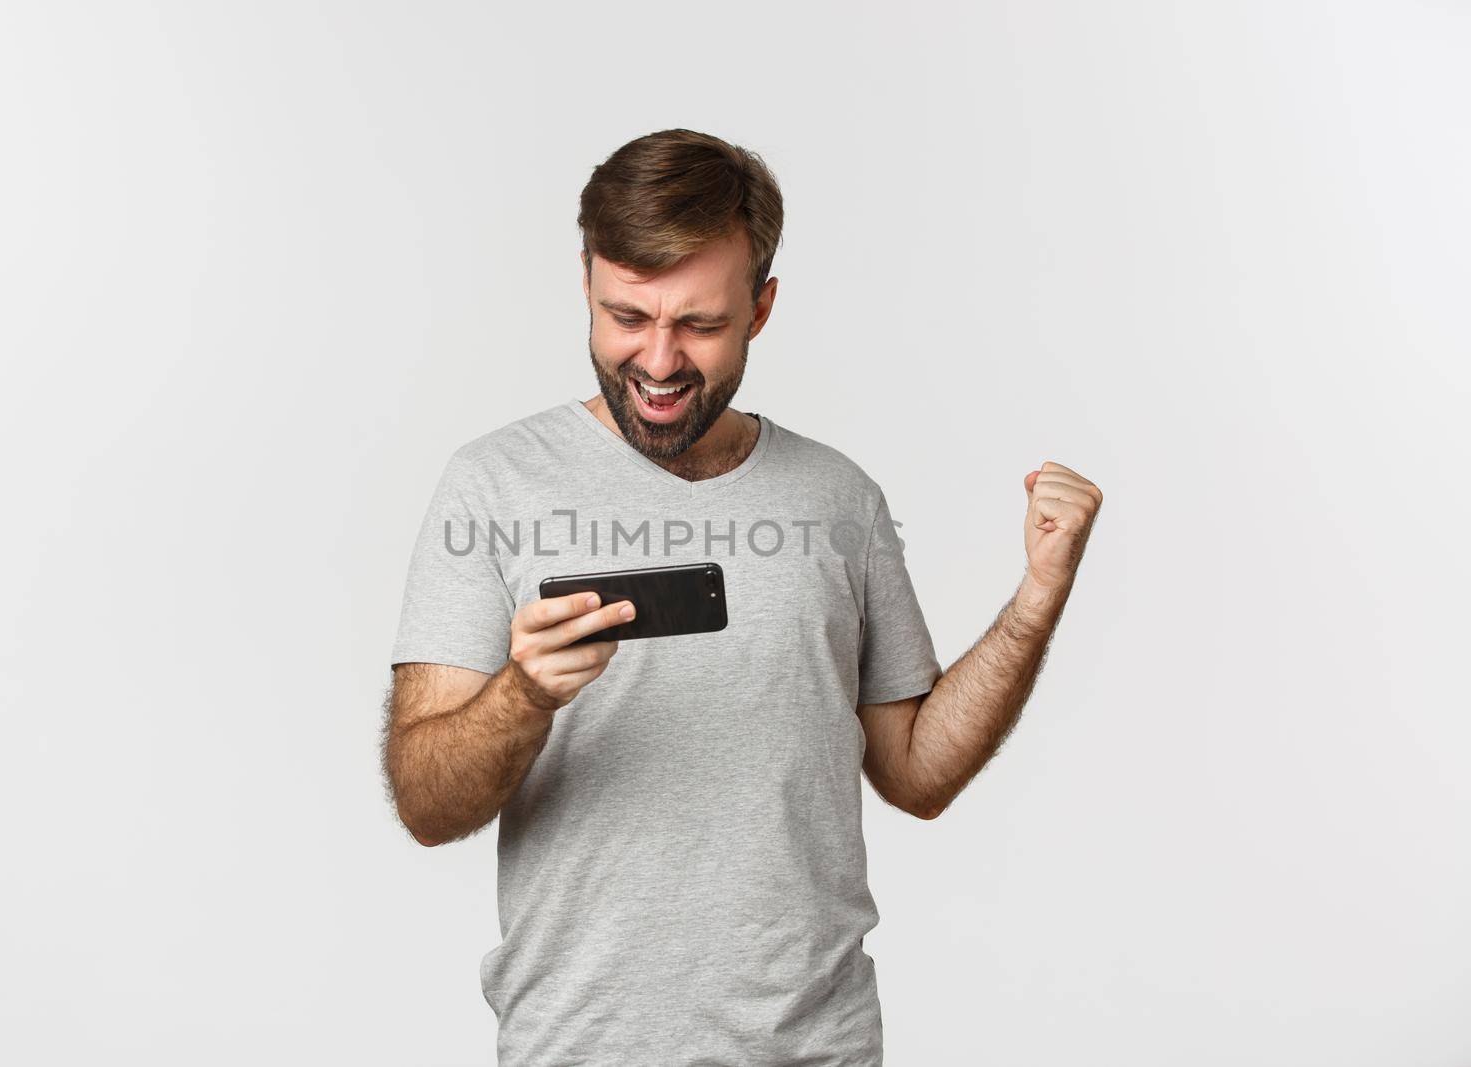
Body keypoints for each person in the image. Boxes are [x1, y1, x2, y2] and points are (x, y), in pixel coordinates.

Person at [381, 128, 1103, 1066]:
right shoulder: (494, 484)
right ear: (586, 287)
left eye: (701, 324)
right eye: (626, 317)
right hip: (578, 1048)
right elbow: (427, 803)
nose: (659, 360)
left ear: (761, 308)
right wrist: (522, 694)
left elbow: (917, 772)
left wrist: (1037, 598)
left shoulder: (840, 499)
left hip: (817, 1048)